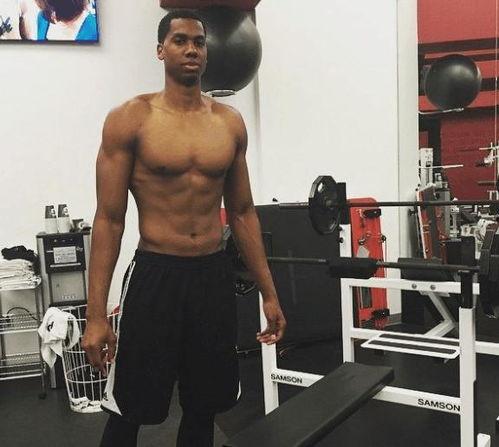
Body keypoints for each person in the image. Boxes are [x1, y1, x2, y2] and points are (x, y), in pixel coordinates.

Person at [81, 9, 286, 447]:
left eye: (199, 42)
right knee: (130, 407)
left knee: (203, 406)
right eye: (180, 41)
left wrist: (269, 293)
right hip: (156, 274)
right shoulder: (130, 119)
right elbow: (109, 220)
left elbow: (243, 212)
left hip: (212, 276)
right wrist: (96, 316)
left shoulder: (229, 123)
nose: (191, 49)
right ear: (161, 50)